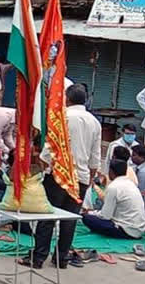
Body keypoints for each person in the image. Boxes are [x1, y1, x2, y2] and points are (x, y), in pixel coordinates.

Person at [25, 84, 101, 269]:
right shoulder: (94, 122)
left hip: (59, 175)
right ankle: (61, 258)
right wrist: (89, 179)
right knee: (69, 219)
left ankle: (38, 257)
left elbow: (50, 147)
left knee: (47, 217)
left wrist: (44, 164)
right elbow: (95, 157)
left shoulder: (63, 118)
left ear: (67, 99)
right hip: (80, 177)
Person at [81, 159, 145, 239]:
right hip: (140, 229)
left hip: (125, 230)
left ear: (111, 172)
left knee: (86, 217)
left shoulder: (113, 187)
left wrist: (91, 213)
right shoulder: (131, 184)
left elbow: (105, 216)